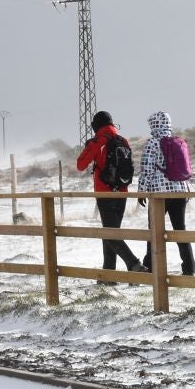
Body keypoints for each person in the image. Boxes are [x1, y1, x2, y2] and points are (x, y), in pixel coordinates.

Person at [74, 111, 145, 277]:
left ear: (96, 126)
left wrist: (91, 145)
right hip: (122, 192)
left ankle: (134, 264)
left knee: (110, 234)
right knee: (112, 232)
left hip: (105, 193)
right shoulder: (123, 140)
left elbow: (80, 165)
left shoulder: (99, 141)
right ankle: (108, 276)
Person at [139, 110, 195, 276]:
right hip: (180, 191)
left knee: (154, 230)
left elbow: (147, 170)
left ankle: (150, 266)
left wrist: (141, 192)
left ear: (153, 125)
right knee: (180, 230)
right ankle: (189, 268)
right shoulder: (179, 141)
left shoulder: (152, 143)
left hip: (159, 194)